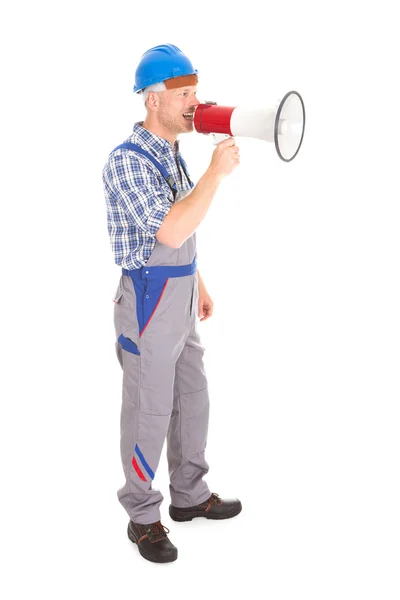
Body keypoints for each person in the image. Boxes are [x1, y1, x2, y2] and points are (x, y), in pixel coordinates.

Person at [102, 43, 241, 564]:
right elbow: (169, 226)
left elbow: (184, 232)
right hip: (147, 299)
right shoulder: (126, 161)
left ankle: (188, 496)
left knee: (193, 397)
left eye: (195, 93)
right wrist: (215, 175)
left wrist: (198, 282)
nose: (193, 103)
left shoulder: (171, 155)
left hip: (180, 292)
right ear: (152, 100)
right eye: (183, 94)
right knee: (149, 409)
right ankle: (142, 517)